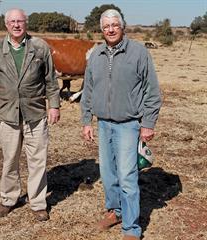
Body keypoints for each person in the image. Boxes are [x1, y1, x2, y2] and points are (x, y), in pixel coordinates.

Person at [80, 9, 161, 240]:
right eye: (106, 26)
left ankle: (131, 227)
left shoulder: (138, 52)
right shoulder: (96, 55)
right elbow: (88, 89)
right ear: (102, 30)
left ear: (122, 26)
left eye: (115, 25)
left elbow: (152, 91)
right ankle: (115, 211)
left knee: (127, 176)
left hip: (128, 124)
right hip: (104, 123)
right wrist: (87, 120)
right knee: (107, 174)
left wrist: (148, 123)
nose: (111, 29)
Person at [0, 8, 60, 221]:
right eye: (12, 22)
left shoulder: (39, 47)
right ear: (6, 24)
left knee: (37, 160)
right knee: (10, 159)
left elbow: (51, 80)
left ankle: (37, 203)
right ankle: (9, 199)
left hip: (35, 112)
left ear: (26, 23)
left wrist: (54, 105)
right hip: (8, 113)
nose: (16, 25)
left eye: (20, 21)